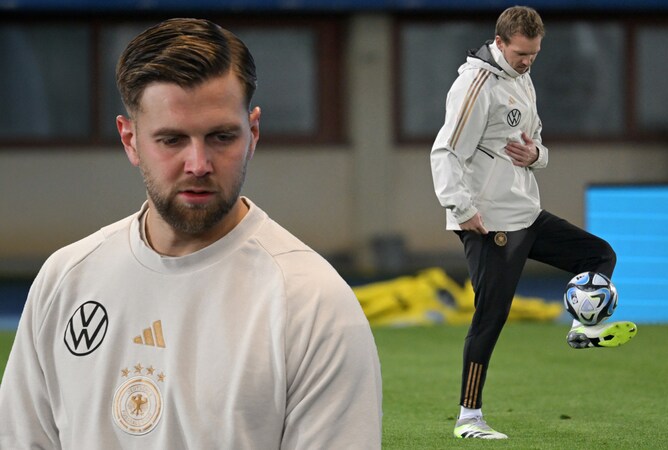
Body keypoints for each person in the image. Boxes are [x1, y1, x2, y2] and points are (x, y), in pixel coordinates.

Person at [0, 18, 382, 449]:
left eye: (221, 137)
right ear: (130, 139)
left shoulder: (312, 302)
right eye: (171, 139)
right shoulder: (65, 280)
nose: (198, 164)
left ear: (253, 133)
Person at [430, 6, 637, 440]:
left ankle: (585, 324)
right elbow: (445, 151)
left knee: (600, 253)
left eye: (534, 55)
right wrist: (461, 208)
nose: (527, 61)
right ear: (500, 42)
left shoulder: (522, 78)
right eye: (521, 53)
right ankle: (469, 418)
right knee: (491, 316)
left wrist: (537, 156)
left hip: (527, 212)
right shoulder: (476, 84)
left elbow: (535, 141)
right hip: (489, 223)